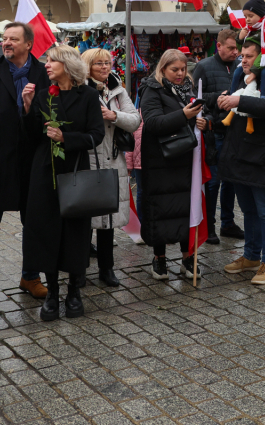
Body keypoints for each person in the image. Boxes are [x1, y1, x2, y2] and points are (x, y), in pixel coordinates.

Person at [0, 22, 50, 311]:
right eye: (4, 39)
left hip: (32, 161)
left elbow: (47, 119)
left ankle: (30, 276)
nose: (6, 43)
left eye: (13, 39)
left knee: (34, 221)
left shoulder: (43, 73)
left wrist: (29, 109)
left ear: (28, 44)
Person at [19, 46, 103, 319]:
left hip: (76, 170)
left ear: (66, 65)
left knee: (76, 231)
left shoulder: (89, 95)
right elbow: (32, 137)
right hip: (45, 172)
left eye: (52, 60)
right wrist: (29, 106)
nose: (46, 65)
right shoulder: (44, 95)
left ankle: (74, 292)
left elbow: (96, 134)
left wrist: (66, 138)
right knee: (46, 230)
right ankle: (52, 292)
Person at [218, 42, 265, 284]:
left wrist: (238, 102)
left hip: (262, 155)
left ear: (263, 57)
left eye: (249, 56)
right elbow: (235, 103)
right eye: (242, 55)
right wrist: (218, 103)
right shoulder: (244, 76)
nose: (244, 60)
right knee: (248, 210)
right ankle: (250, 256)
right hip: (239, 152)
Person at [140, 49, 206, 282]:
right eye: (174, 69)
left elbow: (200, 119)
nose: (180, 74)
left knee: (185, 209)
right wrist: (184, 115)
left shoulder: (188, 89)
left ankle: (188, 257)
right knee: (161, 211)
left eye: (183, 69)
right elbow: (153, 122)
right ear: (162, 69)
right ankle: (159, 258)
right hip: (160, 162)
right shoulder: (152, 89)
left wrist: (204, 122)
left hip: (186, 160)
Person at [81, 48, 140, 287]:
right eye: (99, 64)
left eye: (107, 63)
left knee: (108, 218)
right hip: (89, 158)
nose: (105, 67)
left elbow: (135, 119)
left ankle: (107, 268)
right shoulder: (81, 89)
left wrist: (113, 115)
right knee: (84, 217)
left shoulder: (117, 88)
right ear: (88, 66)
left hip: (113, 160)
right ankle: (80, 268)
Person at [191, 29, 244, 243]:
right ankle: (209, 225)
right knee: (213, 182)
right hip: (214, 132)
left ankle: (228, 223)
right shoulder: (203, 67)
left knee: (231, 181)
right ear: (219, 46)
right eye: (231, 48)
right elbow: (195, 98)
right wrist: (217, 97)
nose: (235, 52)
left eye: (236, 48)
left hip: (235, 131)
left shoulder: (240, 67)